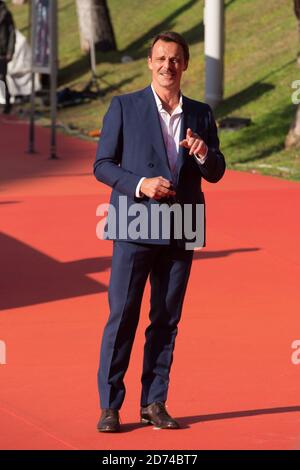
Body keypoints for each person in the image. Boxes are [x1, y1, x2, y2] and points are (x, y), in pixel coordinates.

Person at [94, 31, 226, 432]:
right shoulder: (124, 107)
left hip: (181, 226)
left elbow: (216, 171)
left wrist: (203, 153)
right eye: (160, 58)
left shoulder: (201, 113)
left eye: (175, 59)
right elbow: (102, 165)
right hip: (134, 223)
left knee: (167, 318)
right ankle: (110, 405)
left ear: (185, 65)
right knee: (123, 315)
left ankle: (154, 402)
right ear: (150, 64)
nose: (168, 65)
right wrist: (140, 184)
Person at [0, 0, 15, 114]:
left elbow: (12, 33)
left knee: (1, 78)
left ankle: (4, 104)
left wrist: (10, 52)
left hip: (2, 52)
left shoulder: (5, 13)